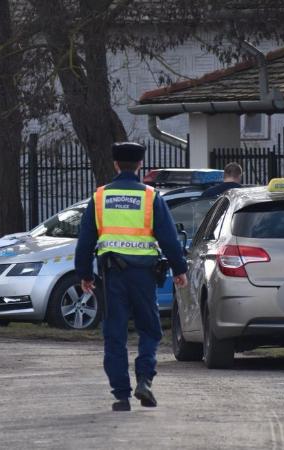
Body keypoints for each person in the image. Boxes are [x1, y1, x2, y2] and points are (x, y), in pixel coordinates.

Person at [75, 142, 188, 412]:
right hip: (143, 276)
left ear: (116, 165)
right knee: (149, 329)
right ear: (140, 165)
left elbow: (85, 239)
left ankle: (121, 396)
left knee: (115, 334)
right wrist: (179, 269)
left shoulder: (100, 197)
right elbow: (169, 239)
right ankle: (145, 380)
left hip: (112, 275)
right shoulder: (151, 197)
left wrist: (84, 274)